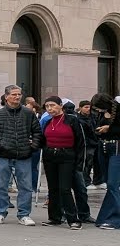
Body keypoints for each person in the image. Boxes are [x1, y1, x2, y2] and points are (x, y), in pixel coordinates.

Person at [0, 85, 44, 226]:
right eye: (13, 94)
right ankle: (0, 212)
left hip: (24, 155)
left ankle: (24, 214)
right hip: (3, 155)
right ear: (6, 96)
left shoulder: (28, 113)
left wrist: (32, 146)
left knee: (25, 186)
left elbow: (37, 132)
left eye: (19, 94)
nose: (17, 97)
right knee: (0, 186)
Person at [40, 97, 85, 229]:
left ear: (60, 106)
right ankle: (55, 217)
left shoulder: (72, 120)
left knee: (65, 188)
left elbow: (81, 142)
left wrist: (80, 163)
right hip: (50, 156)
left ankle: (73, 219)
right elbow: (43, 138)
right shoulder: (47, 121)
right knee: (52, 188)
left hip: (67, 156)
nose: (49, 109)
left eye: (52, 105)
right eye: (47, 106)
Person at [93, 96, 120, 228]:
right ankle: (105, 217)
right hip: (103, 147)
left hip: (116, 148)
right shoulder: (102, 113)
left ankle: (115, 219)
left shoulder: (118, 110)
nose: (97, 109)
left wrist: (108, 129)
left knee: (112, 184)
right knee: (109, 183)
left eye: (98, 106)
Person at [80, 99, 99, 189]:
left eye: (89, 107)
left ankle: (98, 180)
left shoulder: (94, 117)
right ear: (80, 108)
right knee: (87, 163)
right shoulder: (78, 118)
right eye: (86, 107)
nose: (88, 109)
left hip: (95, 142)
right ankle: (86, 181)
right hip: (86, 144)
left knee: (97, 163)